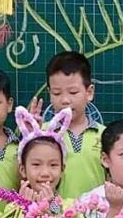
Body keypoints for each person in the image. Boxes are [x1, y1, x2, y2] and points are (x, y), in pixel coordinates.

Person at [45, 51, 107, 199]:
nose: (65, 100)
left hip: (96, 212)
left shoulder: (106, 135)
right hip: (52, 211)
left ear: (89, 92)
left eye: (73, 92)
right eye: (57, 93)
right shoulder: (42, 133)